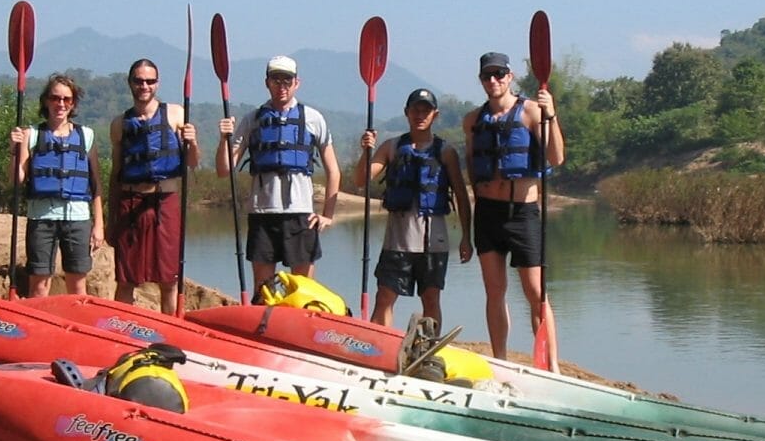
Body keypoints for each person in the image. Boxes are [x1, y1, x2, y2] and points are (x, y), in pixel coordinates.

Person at [462, 51, 565, 372]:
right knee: (494, 291)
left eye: (499, 74)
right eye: (487, 75)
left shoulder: (532, 111)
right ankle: (500, 360)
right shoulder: (472, 120)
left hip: (522, 214)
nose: (493, 80)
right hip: (487, 214)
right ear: (481, 80)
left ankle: (551, 366)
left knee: (536, 293)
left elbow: (556, 157)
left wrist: (551, 116)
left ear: (510, 76)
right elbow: (471, 165)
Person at [216, 55, 341, 295]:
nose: (281, 86)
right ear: (267, 83)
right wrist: (224, 139)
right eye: (276, 80)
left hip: (301, 214)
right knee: (264, 291)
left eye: (287, 80)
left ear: (296, 83)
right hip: (262, 214)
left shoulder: (313, 118)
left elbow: (333, 170)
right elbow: (224, 170)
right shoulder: (253, 119)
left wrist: (328, 215)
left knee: (303, 291)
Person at [354, 88, 472, 330]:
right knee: (384, 297)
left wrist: (466, 238)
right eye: (415, 110)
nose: (420, 115)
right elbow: (361, 179)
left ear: (435, 115)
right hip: (397, 241)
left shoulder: (446, 152)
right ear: (406, 112)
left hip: (434, 243)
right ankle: (380, 343)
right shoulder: (391, 147)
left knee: (431, 298)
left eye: (425, 111)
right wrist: (366, 151)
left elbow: (461, 196)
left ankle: (429, 345)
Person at [108, 59, 199, 313]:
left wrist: (193, 142)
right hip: (130, 202)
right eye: (139, 81)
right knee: (126, 279)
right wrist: (110, 219)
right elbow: (116, 174)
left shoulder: (176, 114)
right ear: (130, 83)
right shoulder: (119, 124)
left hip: (165, 200)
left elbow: (192, 163)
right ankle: (120, 326)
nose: (144, 86)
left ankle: (171, 328)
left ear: (157, 83)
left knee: (169, 279)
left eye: (150, 81)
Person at [9, 74, 104, 297]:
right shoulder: (31, 135)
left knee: (77, 285)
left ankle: (75, 319)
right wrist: (14, 150)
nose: (60, 104)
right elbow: (16, 179)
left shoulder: (86, 136)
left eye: (66, 99)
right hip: (41, 218)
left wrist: (99, 224)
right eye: (55, 98)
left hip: (78, 218)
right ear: (46, 101)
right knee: (39, 285)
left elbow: (96, 184)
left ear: (73, 103)